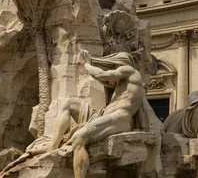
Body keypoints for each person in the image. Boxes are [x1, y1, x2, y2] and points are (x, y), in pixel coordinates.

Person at [27, 49, 144, 178]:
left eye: (113, 66)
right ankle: (52, 145)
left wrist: (87, 64)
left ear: (118, 63)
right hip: (104, 115)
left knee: (79, 137)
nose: (114, 70)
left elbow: (102, 75)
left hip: (119, 118)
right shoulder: (124, 84)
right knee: (68, 103)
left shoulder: (129, 70)